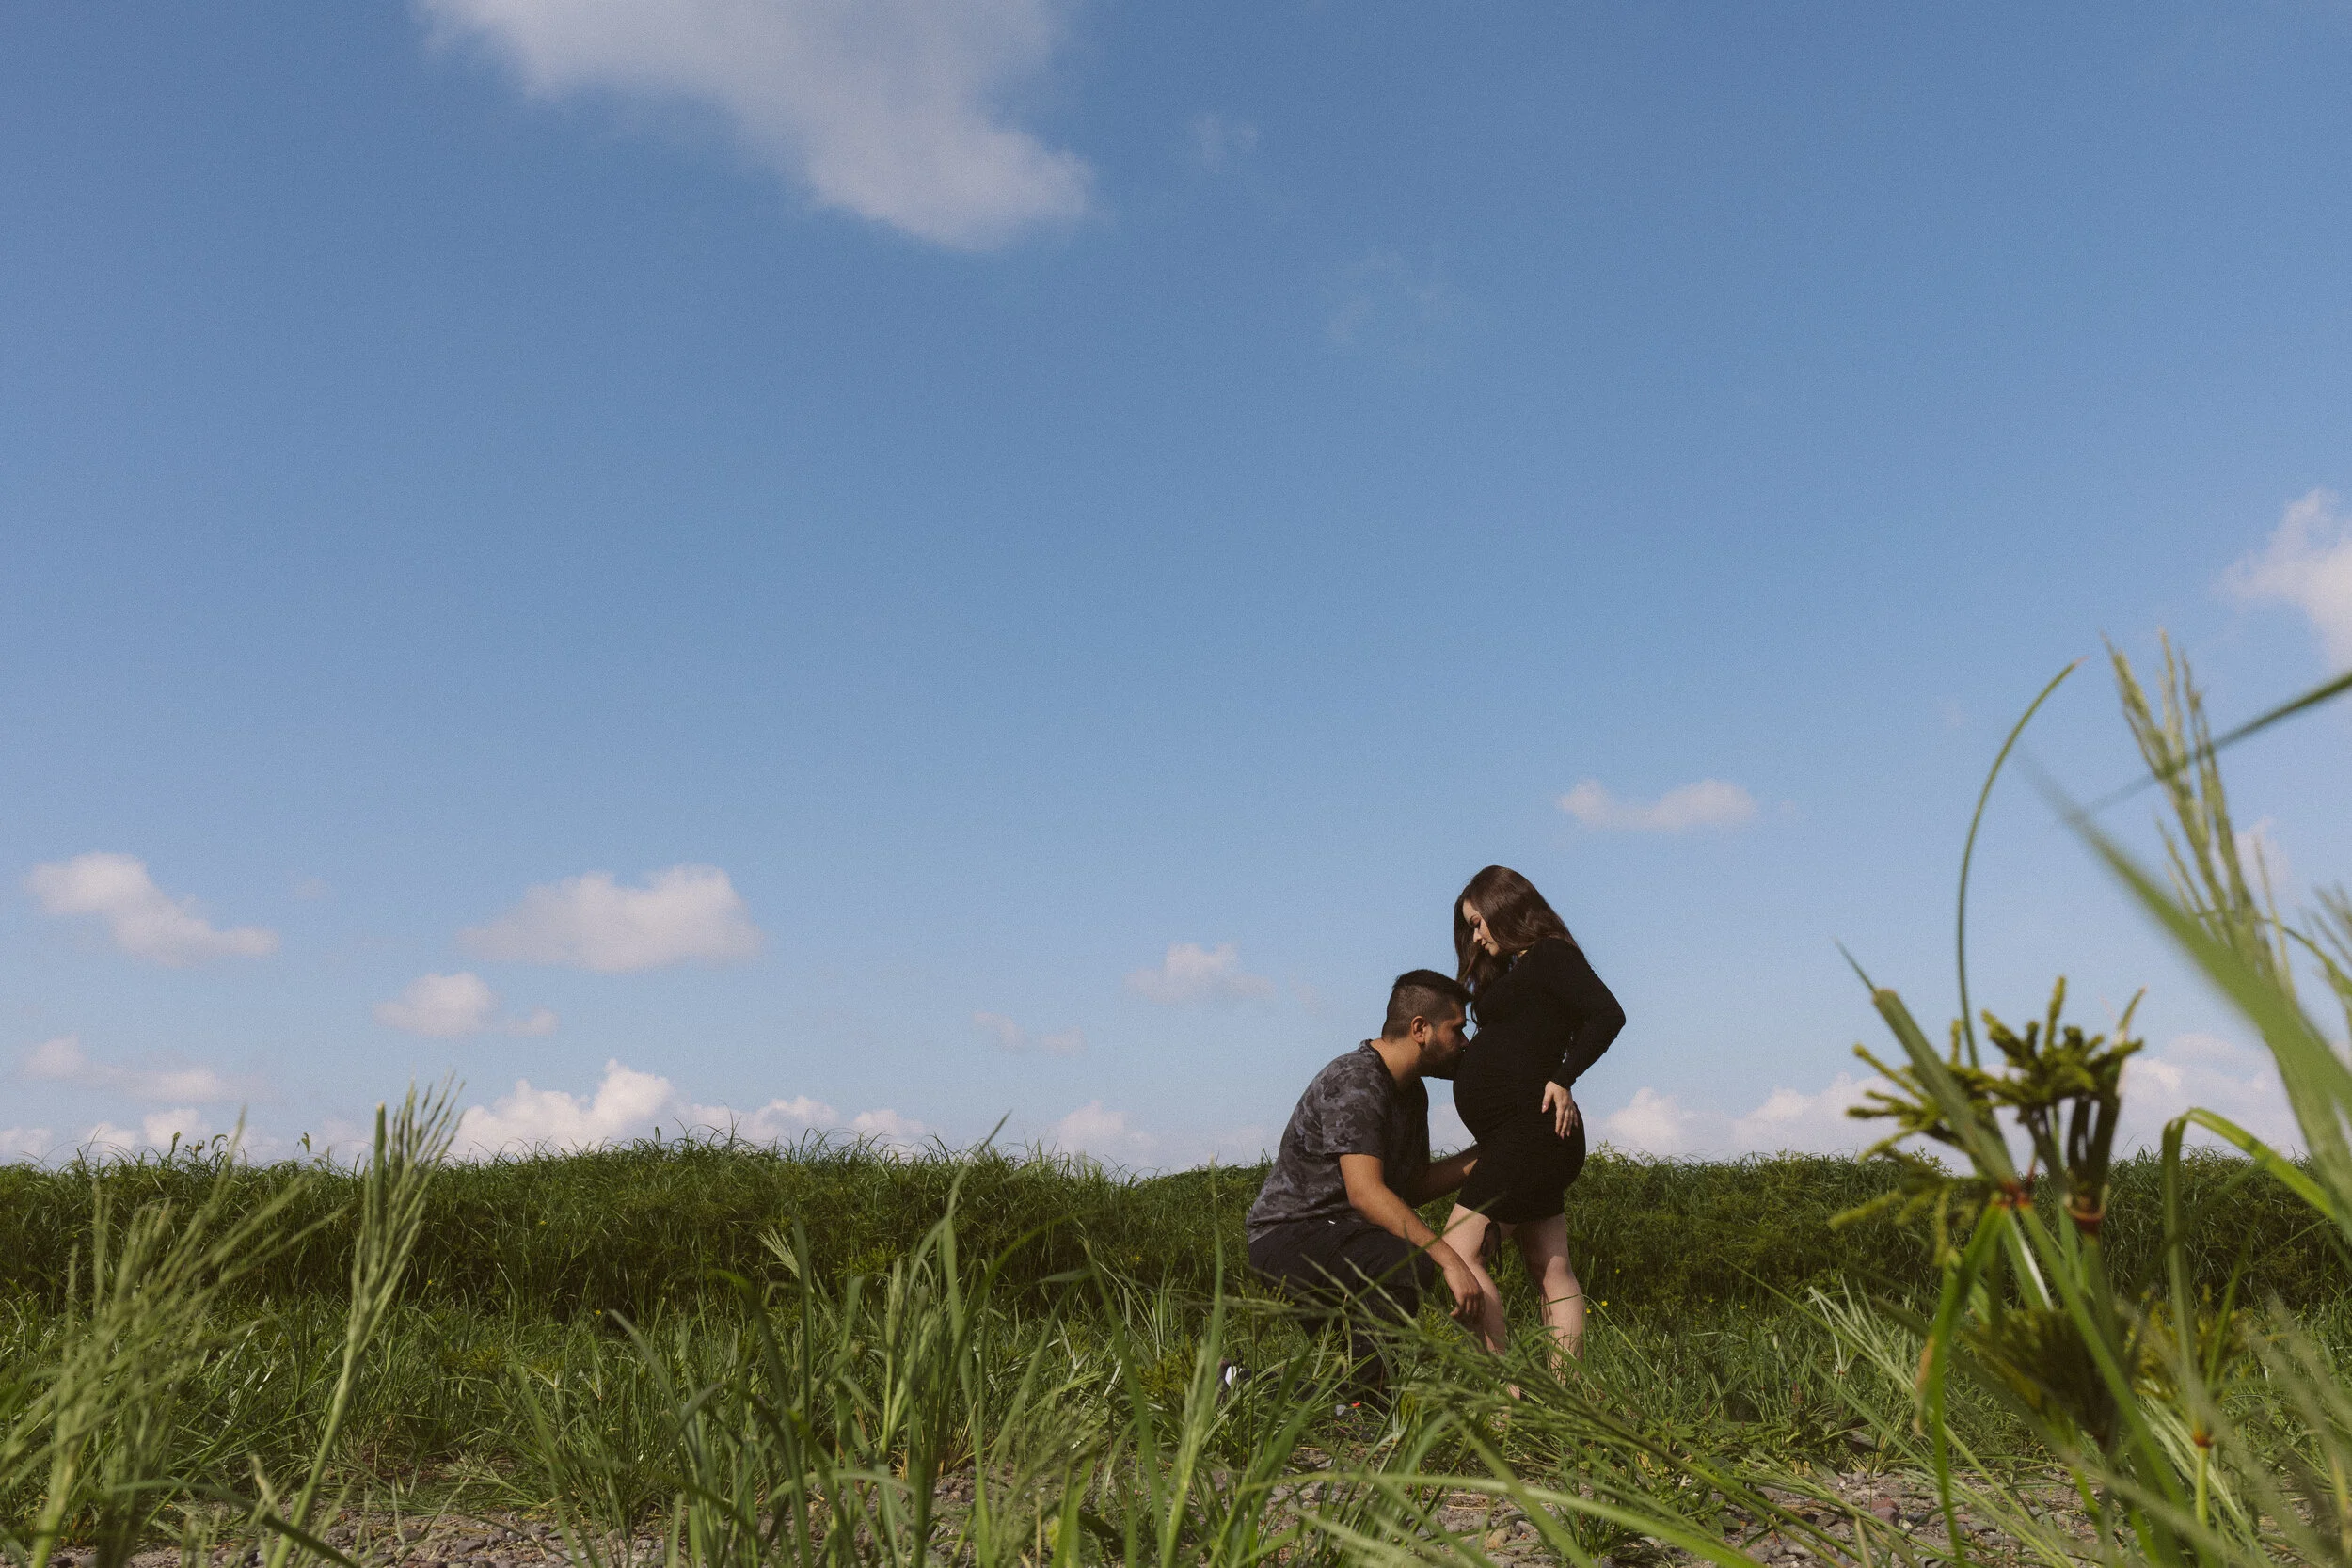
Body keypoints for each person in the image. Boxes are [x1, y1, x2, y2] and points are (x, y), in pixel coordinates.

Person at [1246, 970, 1486, 1401]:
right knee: (1404, 1263)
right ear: (1420, 1029)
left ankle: (1240, 1387)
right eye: (1457, 1029)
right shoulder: (1356, 1079)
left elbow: (1409, 1186)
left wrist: (1481, 1157)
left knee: (1343, 1381)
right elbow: (1366, 1193)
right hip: (1289, 1235)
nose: (1465, 1044)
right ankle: (1365, 1407)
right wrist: (1452, 1262)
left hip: (1343, 1238)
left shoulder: (1411, 1093)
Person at [1442, 865, 1626, 1362]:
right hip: (1528, 1136)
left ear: (1505, 909)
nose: (1476, 938)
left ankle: (1506, 1395)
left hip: (1532, 1131)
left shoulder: (1550, 953)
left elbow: (1608, 1014)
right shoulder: (1520, 968)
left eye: (1479, 923)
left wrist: (1564, 1077)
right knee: (1549, 1265)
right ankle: (1566, 1404)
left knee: (1456, 1252)